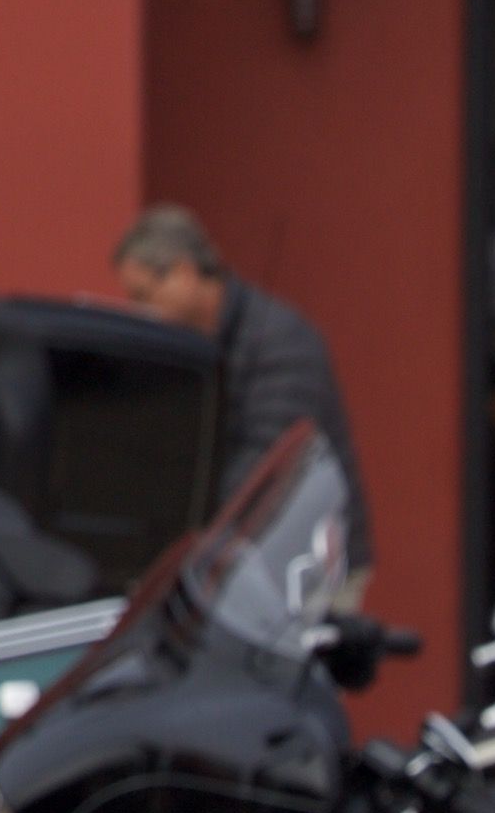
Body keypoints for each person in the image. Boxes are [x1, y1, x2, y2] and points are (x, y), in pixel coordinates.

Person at [114, 205, 370, 575]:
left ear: (184, 273)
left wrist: (189, 533)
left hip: (306, 564)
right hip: (241, 559)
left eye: (143, 296)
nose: (140, 313)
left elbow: (268, 462)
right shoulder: (195, 345)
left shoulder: (281, 341)